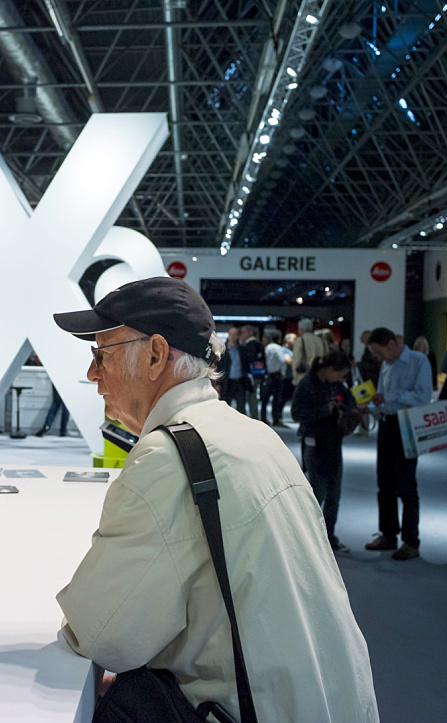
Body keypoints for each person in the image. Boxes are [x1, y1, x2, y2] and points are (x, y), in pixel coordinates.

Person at [52, 276, 378, 720]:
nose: (92, 373)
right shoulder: (254, 436)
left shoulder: (168, 458)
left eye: (101, 354)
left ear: (155, 355)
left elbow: (98, 632)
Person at [364, 326, 432, 561]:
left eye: (379, 352)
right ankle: (388, 534)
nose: (377, 357)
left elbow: (423, 397)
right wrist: (370, 406)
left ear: (391, 344)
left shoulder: (418, 361)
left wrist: (390, 398)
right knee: (384, 484)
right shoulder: (387, 365)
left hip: (408, 426)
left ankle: (411, 541)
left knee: (406, 486)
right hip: (387, 425)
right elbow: (382, 397)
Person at [291, 351, 361, 553]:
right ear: (330, 369)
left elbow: (350, 401)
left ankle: (329, 537)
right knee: (317, 493)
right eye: (340, 375)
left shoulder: (336, 384)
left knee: (334, 493)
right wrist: (325, 409)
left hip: (333, 442)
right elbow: (297, 414)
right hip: (314, 444)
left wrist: (349, 409)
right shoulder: (307, 385)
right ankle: (307, 539)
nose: (342, 380)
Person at [260, 329, 290, 426]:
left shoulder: (266, 348)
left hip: (268, 375)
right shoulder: (277, 348)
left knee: (265, 399)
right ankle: (275, 419)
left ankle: (263, 418)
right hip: (277, 375)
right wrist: (283, 372)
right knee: (276, 399)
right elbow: (282, 360)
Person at [291, 317, 327, 387]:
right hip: (320, 377)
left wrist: (295, 377)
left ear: (301, 329)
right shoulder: (322, 341)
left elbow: (297, 360)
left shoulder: (300, 340)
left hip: (304, 377)